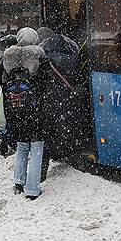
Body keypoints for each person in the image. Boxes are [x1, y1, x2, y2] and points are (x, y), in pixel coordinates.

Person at [2, 27, 48, 200]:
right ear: (35, 39)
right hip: (34, 110)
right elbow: (46, 82)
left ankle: (18, 182)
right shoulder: (39, 56)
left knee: (22, 145)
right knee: (36, 148)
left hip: (15, 110)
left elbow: (2, 82)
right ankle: (32, 190)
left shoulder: (8, 57)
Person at [40, 27, 88, 179]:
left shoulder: (45, 59)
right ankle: (76, 160)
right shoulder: (72, 58)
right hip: (70, 100)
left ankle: (42, 170)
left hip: (51, 102)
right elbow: (80, 78)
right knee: (72, 129)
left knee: (49, 135)